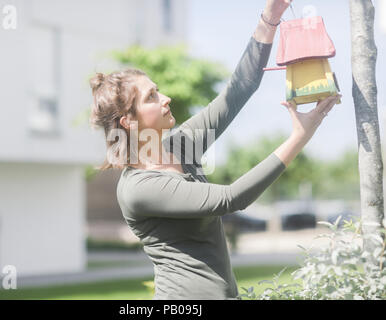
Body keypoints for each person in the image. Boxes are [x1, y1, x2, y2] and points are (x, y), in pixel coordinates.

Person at [88, 0, 341, 300]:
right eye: (152, 96)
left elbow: (239, 89)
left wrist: (270, 18)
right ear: (128, 122)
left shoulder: (180, 146)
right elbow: (230, 199)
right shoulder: (139, 188)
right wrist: (300, 136)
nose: (166, 98)